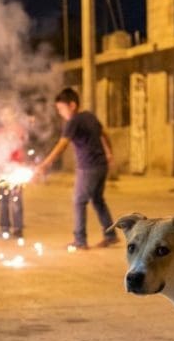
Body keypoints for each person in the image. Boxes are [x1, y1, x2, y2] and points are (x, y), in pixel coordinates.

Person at [33, 87, 119, 250]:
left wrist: (45, 164)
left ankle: (80, 240)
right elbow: (105, 134)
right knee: (98, 200)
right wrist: (109, 153)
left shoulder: (73, 121)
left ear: (72, 105)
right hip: (101, 166)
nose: (60, 113)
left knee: (79, 201)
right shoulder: (90, 116)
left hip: (88, 167)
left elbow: (62, 144)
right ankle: (110, 235)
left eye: (61, 108)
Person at [0, 106, 28, 239]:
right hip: (1, 171)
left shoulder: (18, 130)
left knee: (16, 200)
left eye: (7, 114)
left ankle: (18, 229)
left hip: (15, 170)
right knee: (3, 201)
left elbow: (20, 146)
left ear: (13, 115)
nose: (5, 117)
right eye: (2, 115)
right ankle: (4, 228)